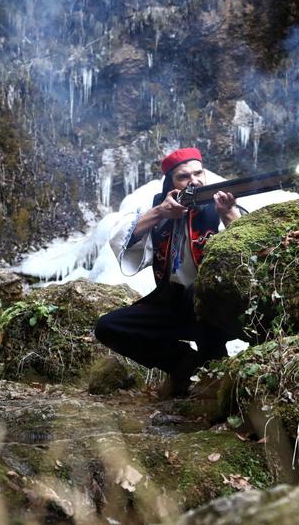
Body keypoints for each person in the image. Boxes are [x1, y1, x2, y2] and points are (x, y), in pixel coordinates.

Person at [95, 147, 241, 396]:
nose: (194, 181)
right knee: (108, 327)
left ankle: (216, 370)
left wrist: (228, 213)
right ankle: (183, 364)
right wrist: (160, 212)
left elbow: (248, 247)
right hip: (173, 304)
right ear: (170, 184)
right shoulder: (160, 210)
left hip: (215, 307)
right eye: (184, 176)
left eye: (198, 173)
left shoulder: (219, 203)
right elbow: (123, 240)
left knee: (197, 294)